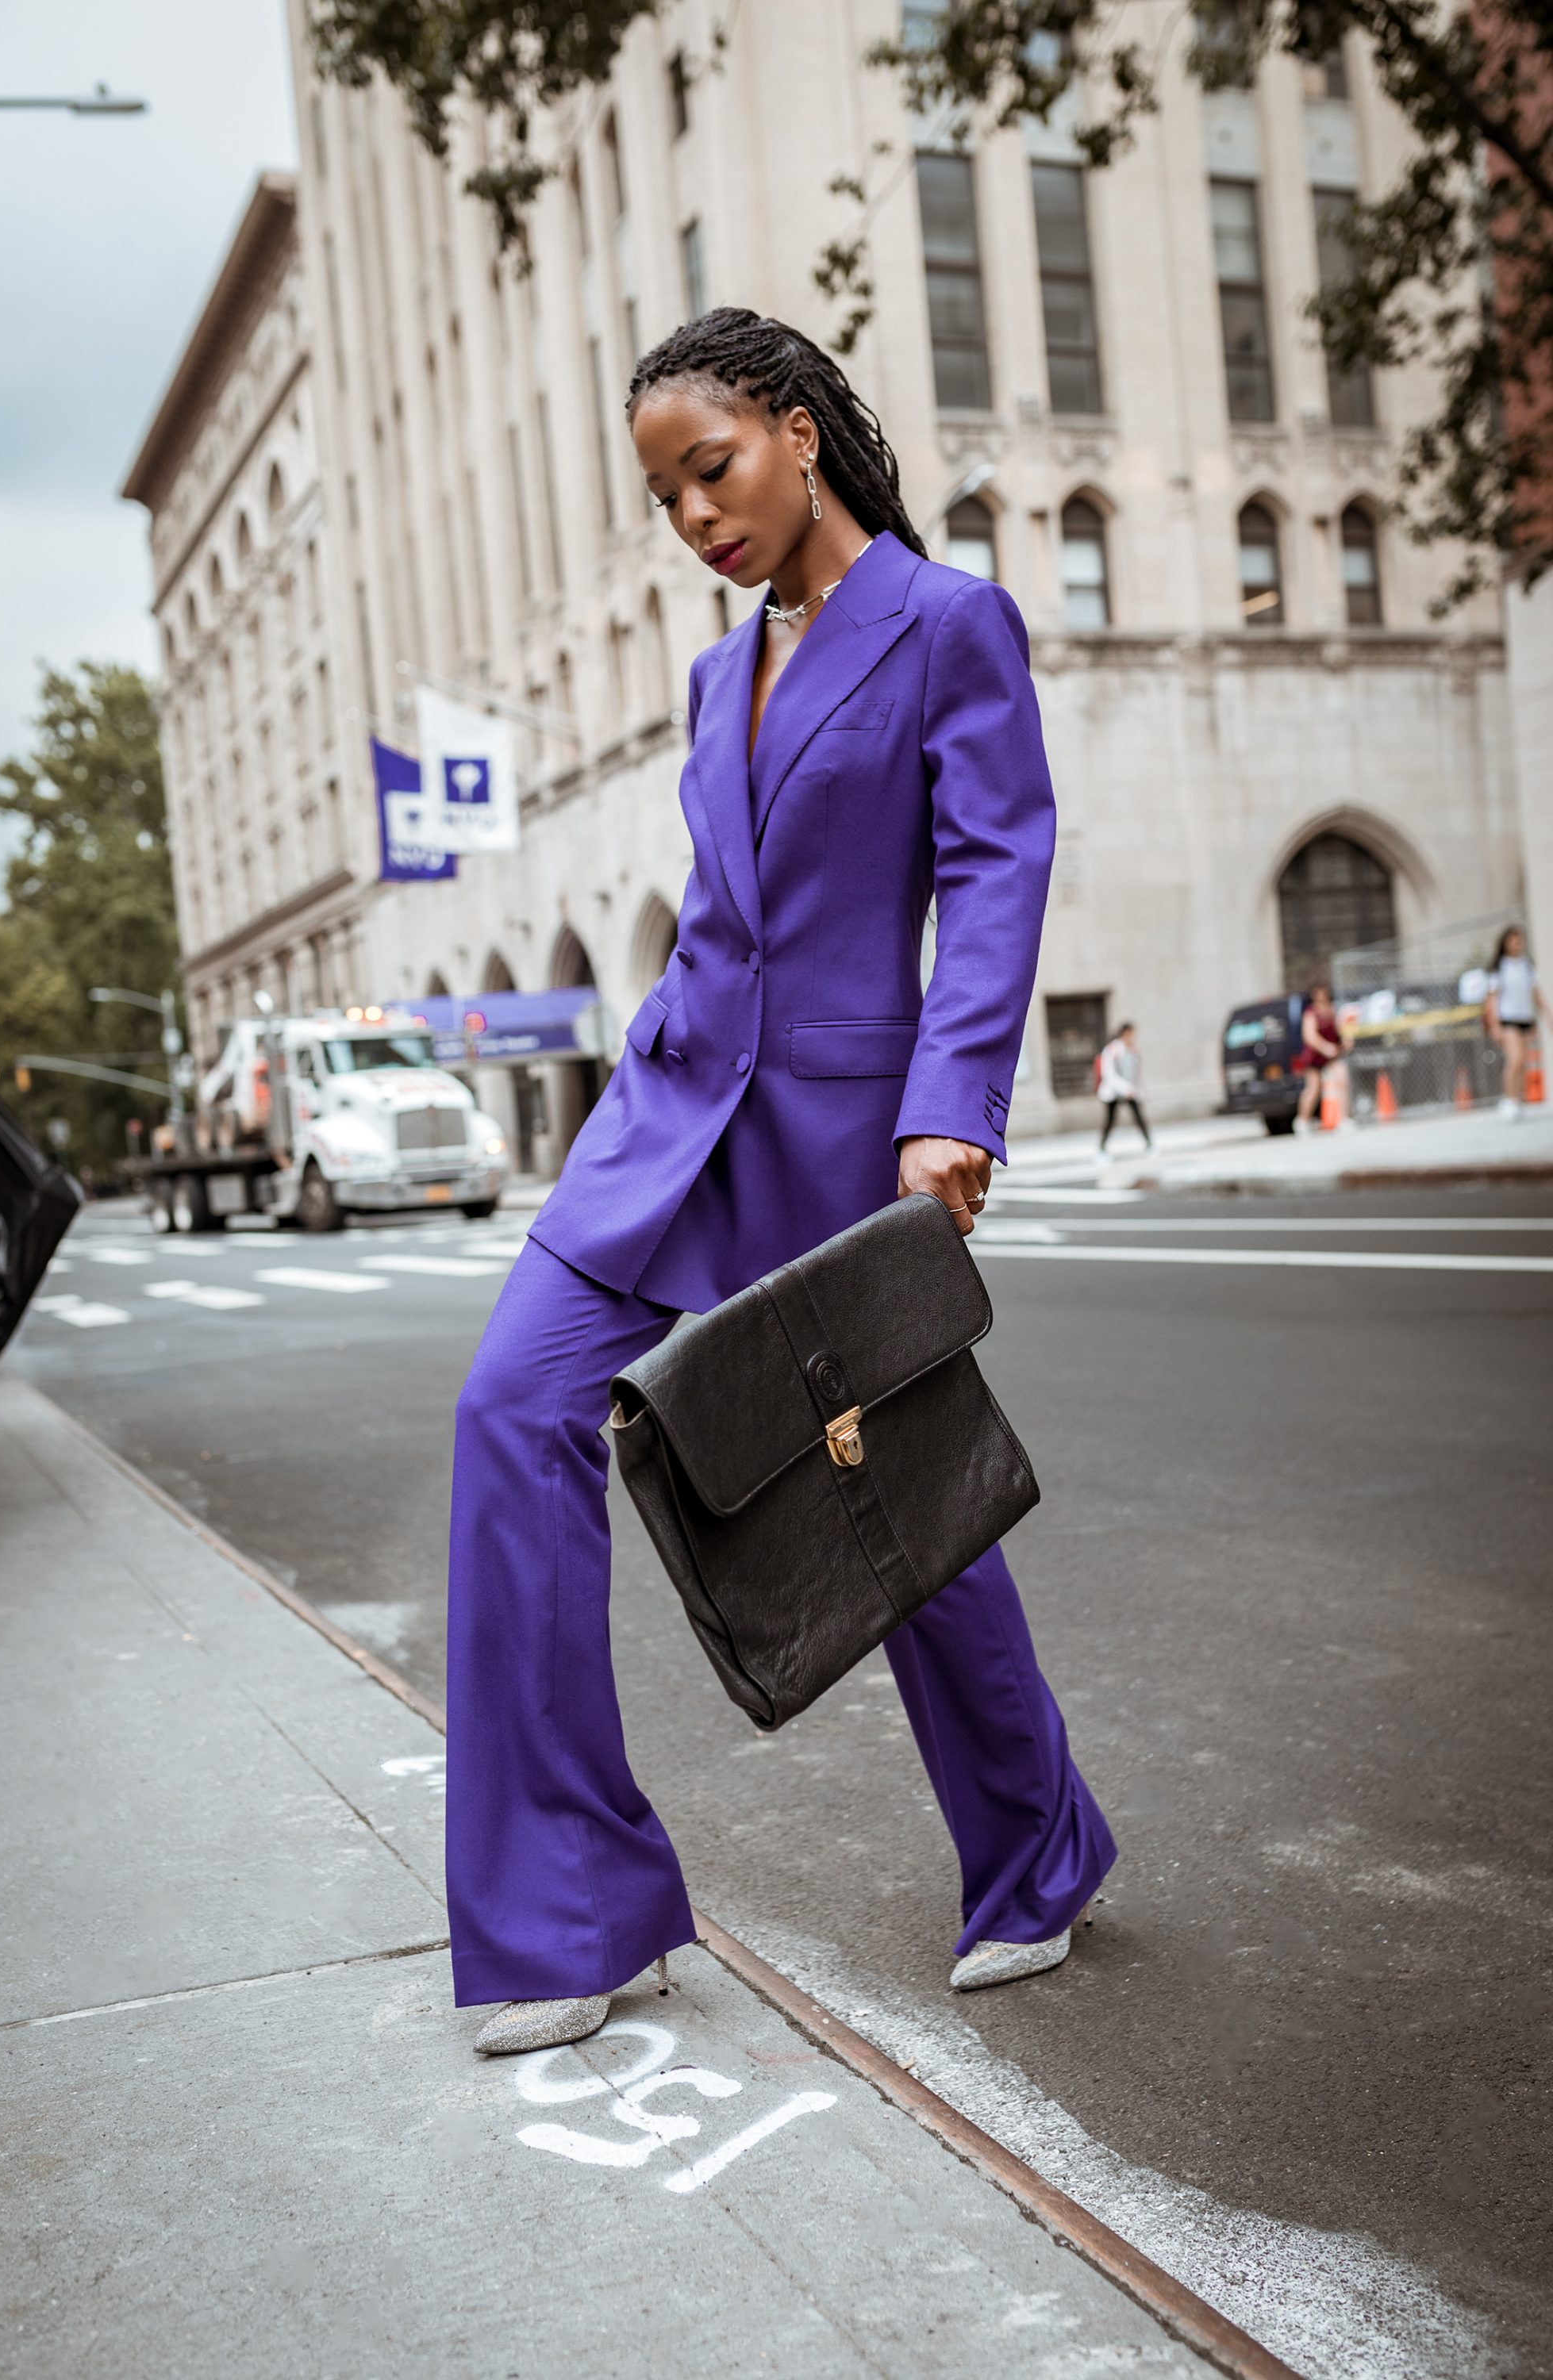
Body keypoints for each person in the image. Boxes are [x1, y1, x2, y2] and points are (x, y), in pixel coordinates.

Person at [447, 309, 1115, 2058]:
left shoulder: (943, 622)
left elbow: (994, 861)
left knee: (900, 1526)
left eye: (711, 468)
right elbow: (723, 915)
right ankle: (577, 1916)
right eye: (664, 494)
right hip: (664, 1122)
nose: (692, 517)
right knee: (508, 1417)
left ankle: (1035, 1851)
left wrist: (950, 1103)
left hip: (837, 1135)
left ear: (799, 429)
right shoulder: (712, 674)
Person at [1486, 925, 1547, 1119]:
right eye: (1512, 940)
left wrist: (1547, 1014)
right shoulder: (1500, 967)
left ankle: (1517, 1101)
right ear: (1505, 943)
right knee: (1516, 1058)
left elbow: (1535, 993)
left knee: (1523, 1062)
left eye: (1519, 940)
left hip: (1525, 1018)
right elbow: (1493, 998)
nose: (1516, 944)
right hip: (1508, 1019)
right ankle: (1509, 1099)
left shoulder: (1526, 965)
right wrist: (1494, 1024)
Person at [1294, 981, 1348, 1134]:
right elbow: (1309, 1036)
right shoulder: (1311, 1013)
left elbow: (1340, 1030)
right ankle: (1302, 1121)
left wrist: (1345, 1041)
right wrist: (1324, 1047)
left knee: (1342, 1080)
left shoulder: (1332, 1010)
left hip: (1332, 1054)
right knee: (1313, 1088)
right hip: (1315, 1056)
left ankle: (1343, 1119)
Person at [1096, 1021, 1152, 1154]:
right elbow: (1109, 1074)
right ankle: (1102, 1148)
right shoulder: (1112, 1050)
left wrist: (1140, 1091)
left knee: (1139, 1117)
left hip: (1131, 1092)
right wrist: (1124, 1088)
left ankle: (1149, 1144)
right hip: (1113, 1092)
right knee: (1110, 1121)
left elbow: (1136, 1074)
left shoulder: (1133, 1050)